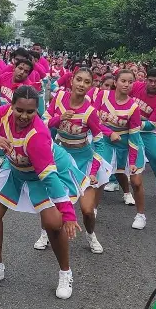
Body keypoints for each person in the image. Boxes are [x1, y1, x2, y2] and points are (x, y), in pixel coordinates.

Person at [0, 86, 81, 299]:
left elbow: (49, 178)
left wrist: (68, 215)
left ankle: (65, 273)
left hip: (44, 174)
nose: (23, 115)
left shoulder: (38, 136)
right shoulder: (3, 113)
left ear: (37, 111)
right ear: (12, 105)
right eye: (19, 110)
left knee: (53, 223)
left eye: (30, 112)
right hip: (16, 169)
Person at [41, 67, 111, 254]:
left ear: (91, 86)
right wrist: (59, 118)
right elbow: (43, 122)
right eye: (78, 79)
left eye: (87, 82)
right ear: (71, 80)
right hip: (61, 158)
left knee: (87, 210)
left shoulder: (90, 112)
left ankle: (90, 234)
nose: (81, 84)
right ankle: (45, 232)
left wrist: (94, 171)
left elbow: (100, 144)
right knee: (51, 201)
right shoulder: (59, 99)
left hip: (83, 160)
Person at [94, 69, 148, 229]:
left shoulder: (133, 107)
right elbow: (93, 120)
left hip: (128, 145)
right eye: (123, 81)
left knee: (136, 182)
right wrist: (109, 133)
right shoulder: (102, 96)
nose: (126, 84)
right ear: (116, 82)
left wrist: (132, 161)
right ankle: (93, 210)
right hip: (106, 142)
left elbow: (134, 136)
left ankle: (140, 215)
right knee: (100, 177)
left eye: (130, 82)